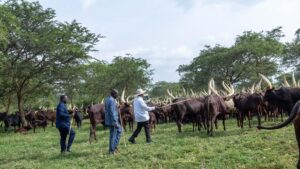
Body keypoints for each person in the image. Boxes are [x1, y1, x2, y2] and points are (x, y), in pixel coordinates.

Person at [105, 89, 122, 154]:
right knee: (113, 135)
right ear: (114, 94)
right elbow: (112, 112)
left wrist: (117, 106)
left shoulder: (107, 99)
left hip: (109, 120)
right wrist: (115, 121)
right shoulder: (112, 101)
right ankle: (111, 150)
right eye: (117, 94)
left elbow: (111, 109)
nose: (117, 95)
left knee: (119, 131)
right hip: (113, 121)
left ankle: (114, 146)